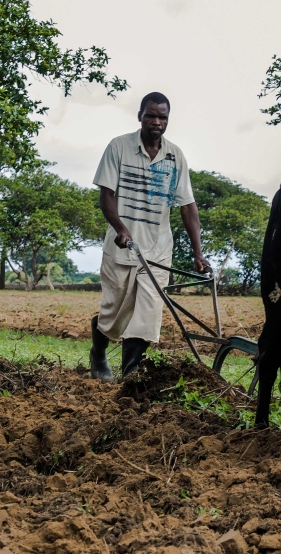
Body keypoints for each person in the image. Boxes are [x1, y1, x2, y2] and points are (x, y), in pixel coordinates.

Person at [88, 92, 210, 380]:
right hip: (122, 248)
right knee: (113, 314)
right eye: (151, 115)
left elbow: (188, 207)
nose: (157, 121)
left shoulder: (175, 156)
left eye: (162, 117)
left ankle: (129, 377)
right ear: (140, 116)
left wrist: (198, 252)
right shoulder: (119, 147)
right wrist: (120, 228)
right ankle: (98, 352)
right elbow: (106, 196)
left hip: (158, 250)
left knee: (148, 314)